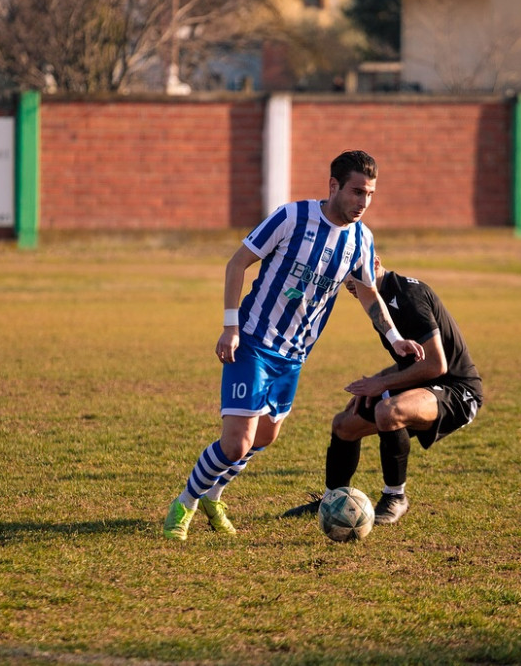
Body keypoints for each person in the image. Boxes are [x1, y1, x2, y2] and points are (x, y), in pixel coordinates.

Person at [163, 150, 425, 541]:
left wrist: (394, 337)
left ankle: (213, 495)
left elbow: (368, 294)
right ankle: (184, 504)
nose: (362, 202)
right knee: (236, 444)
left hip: (294, 355)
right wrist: (230, 327)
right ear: (333, 185)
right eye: (356, 192)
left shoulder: (361, 239)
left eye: (369, 194)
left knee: (265, 438)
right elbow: (237, 263)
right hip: (252, 341)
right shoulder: (292, 218)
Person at [282, 254, 482, 523]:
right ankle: (332, 500)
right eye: (346, 280)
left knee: (389, 411)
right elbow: (412, 364)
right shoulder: (379, 303)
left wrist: (382, 384)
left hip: (457, 391)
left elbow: (436, 365)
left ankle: (395, 497)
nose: (350, 286)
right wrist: (374, 383)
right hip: (421, 385)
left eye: (354, 277)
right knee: (343, 425)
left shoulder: (408, 294)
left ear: (375, 262)